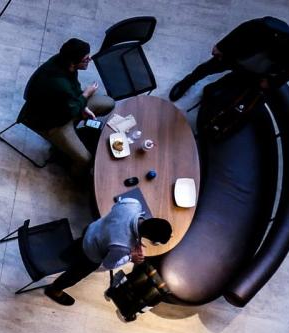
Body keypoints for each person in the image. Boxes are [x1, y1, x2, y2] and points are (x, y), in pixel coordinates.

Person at [44, 196, 173, 306]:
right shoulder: (123, 247)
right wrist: (130, 257)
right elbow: (107, 265)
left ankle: (65, 256)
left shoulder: (133, 204)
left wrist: (133, 240)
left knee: (76, 247)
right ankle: (55, 290)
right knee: (73, 275)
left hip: (91, 231)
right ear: (150, 239)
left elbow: (118, 213)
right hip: (90, 255)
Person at [18, 38, 115, 175]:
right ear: (73, 62)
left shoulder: (64, 64)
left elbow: (74, 89)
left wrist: (83, 106)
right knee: (86, 159)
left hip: (63, 107)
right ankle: (75, 176)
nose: (90, 60)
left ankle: (74, 136)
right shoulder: (60, 85)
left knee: (108, 103)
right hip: (50, 123)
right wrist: (86, 95)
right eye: (86, 59)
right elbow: (72, 109)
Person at [168, 18, 289, 102]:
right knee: (207, 69)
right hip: (237, 55)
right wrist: (222, 47)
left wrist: (274, 81)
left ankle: (211, 91)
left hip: (257, 71)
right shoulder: (266, 27)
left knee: (231, 80)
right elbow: (241, 31)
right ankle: (187, 82)